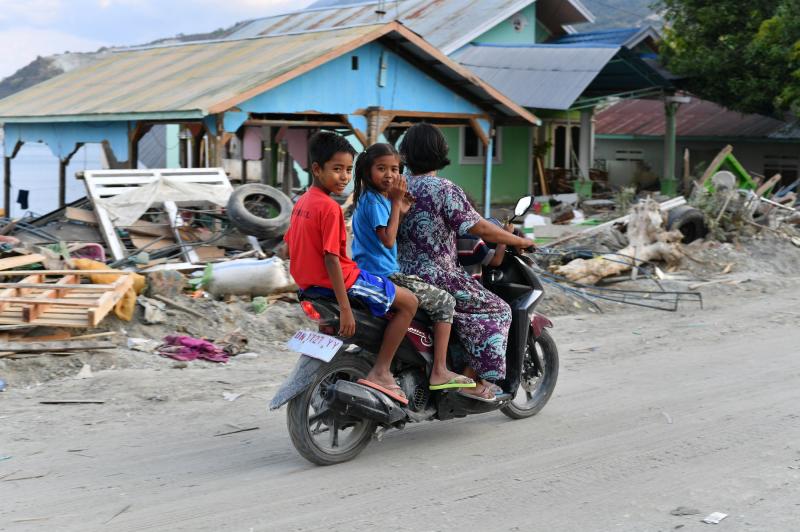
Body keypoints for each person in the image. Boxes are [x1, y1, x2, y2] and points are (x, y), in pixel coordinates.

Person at [397, 123, 536, 402]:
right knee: (499, 310)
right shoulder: (445, 189)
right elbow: (480, 228)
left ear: (405, 154)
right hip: (439, 275)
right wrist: (519, 242)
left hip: (401, 273)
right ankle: (472, 381)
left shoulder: (400, 186)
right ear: (441, 152)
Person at [284, 131, 418, 405]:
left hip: (309, 287)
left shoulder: (302, 203)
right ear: (317, 169)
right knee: (410, 303)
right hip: (343, 281)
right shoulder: (330, 208)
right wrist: (346, 309)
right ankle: (381, 371)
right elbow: (333, 259)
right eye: (337, 169)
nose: (344, 177)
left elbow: (288, 248)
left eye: (347, 170)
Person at [351, 143, 475, 391]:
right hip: (384, 274)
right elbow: (388, 240)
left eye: (395, 169)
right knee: (445, 301)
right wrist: (397, 203)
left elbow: (387, 233)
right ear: (367, 170)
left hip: (369, 271)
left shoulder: (371, 199)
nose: (389, 175)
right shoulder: (377, 201)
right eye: (381, 168)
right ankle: (439, 370)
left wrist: (402, 211)